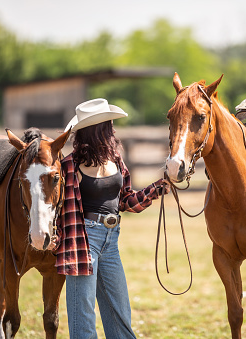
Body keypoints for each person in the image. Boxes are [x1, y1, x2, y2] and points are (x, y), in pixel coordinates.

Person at [51, 98, 169, 338]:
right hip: (83, 240)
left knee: (120, 314)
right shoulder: (69, 166)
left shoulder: (116, 160)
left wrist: (157, 188)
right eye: (109, 125)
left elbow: (126, 200)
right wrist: (56, 235)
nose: (113, 129)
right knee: (83, 317)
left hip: (111, 240)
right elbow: (58, 208)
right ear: (99, 130)